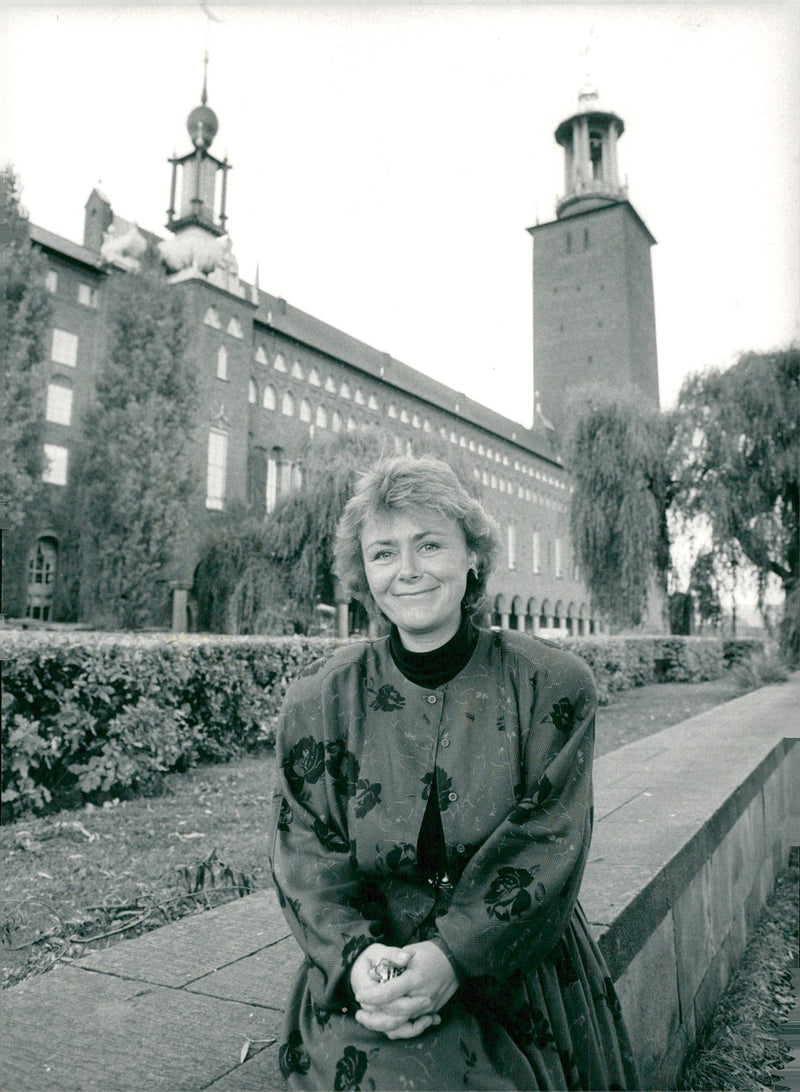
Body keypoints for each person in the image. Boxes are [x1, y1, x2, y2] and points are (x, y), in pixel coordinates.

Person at [269, 455, 640, 1091]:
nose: (407, 570)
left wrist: (454, 955)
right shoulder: (318, 700)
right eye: (384, 553)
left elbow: (547, 843)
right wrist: (358, 963)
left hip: (517, 963)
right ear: (364, 572)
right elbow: (305, 854)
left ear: (472, 555)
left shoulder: (551, 685)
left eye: (429, 544)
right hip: (372, 969)